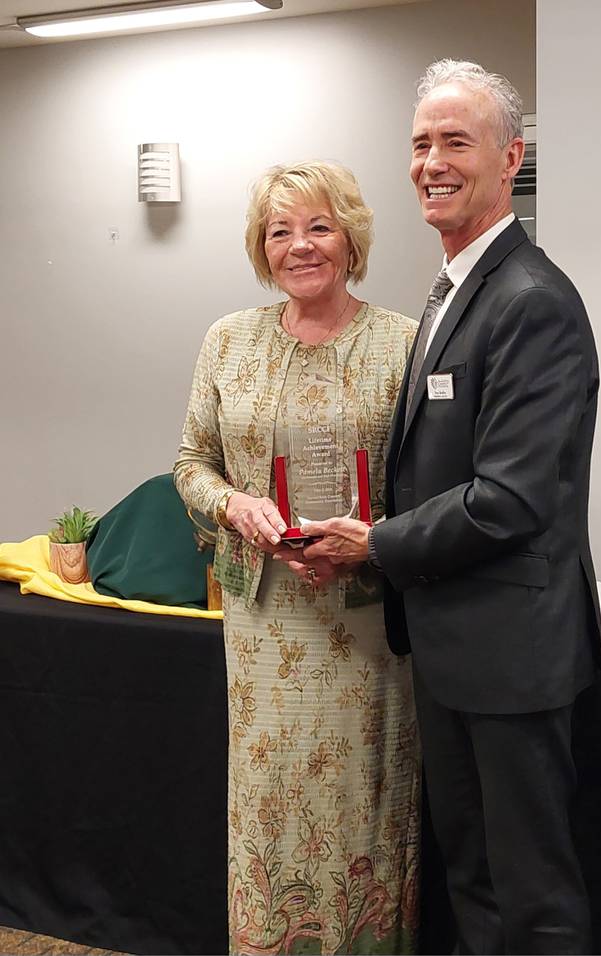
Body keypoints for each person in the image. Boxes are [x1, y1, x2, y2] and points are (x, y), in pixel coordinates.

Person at [300, 61, 601, 954]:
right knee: (473, 874)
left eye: (456, 141)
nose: (431, 161)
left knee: (533, 897)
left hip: (513, 659)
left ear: (510, 156)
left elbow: (509, 497)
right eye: (420, 143)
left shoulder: (531, 300)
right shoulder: (451, 292)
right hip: (452, 648)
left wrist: (377, 545)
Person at [174, 160, 420, 955]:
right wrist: (231, 505)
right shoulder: (227, 341)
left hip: (368, 627)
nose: (300, 246)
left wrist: (367, 546)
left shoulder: (404, 345)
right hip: (264, 624)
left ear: (350, 239)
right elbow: (191, 462)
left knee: (362, 800)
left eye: (318, 226)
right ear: (261, 249)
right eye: (280, 232)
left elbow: (431, 488)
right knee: (270, 797)